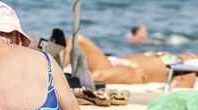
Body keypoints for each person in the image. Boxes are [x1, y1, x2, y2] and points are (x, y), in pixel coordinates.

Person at [64, 34, 197, 87]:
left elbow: (181, 84)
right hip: (113, 61)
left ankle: (59, 80)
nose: (191, 54)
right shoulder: (170, 56)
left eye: (194, 56)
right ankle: (53, 68)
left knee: (97, 76)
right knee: (76, 39)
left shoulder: (186, 69)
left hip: (134, 72)